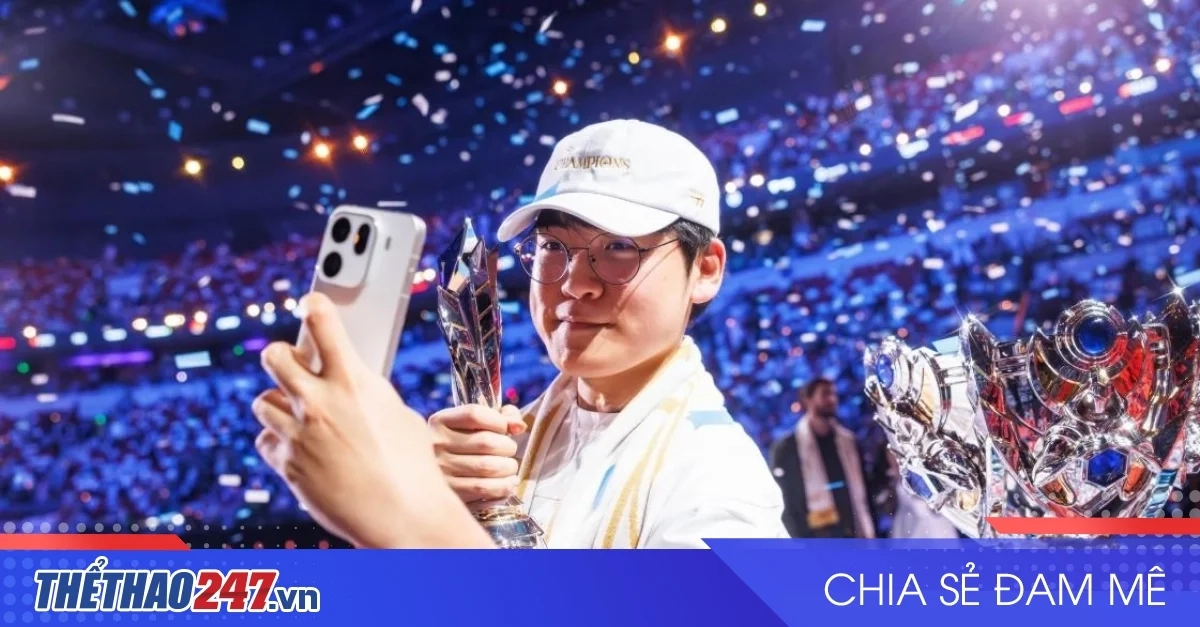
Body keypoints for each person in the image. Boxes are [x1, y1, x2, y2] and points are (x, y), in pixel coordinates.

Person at [253, 119, 787, 548]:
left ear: (706, 269)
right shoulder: (513, 438)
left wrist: (414, 521)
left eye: (619, 249)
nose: (574, 284)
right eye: (553, 247)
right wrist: (449, 504)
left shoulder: (719, 482)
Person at [768, 378, 877, 538]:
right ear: (808, 400)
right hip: (817, 536)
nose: (832, 399)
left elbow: (865, 492)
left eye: (834, 394)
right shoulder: (787, 448)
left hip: (854, 529)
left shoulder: (849, 441)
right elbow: (787, 501)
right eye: (825, 394)